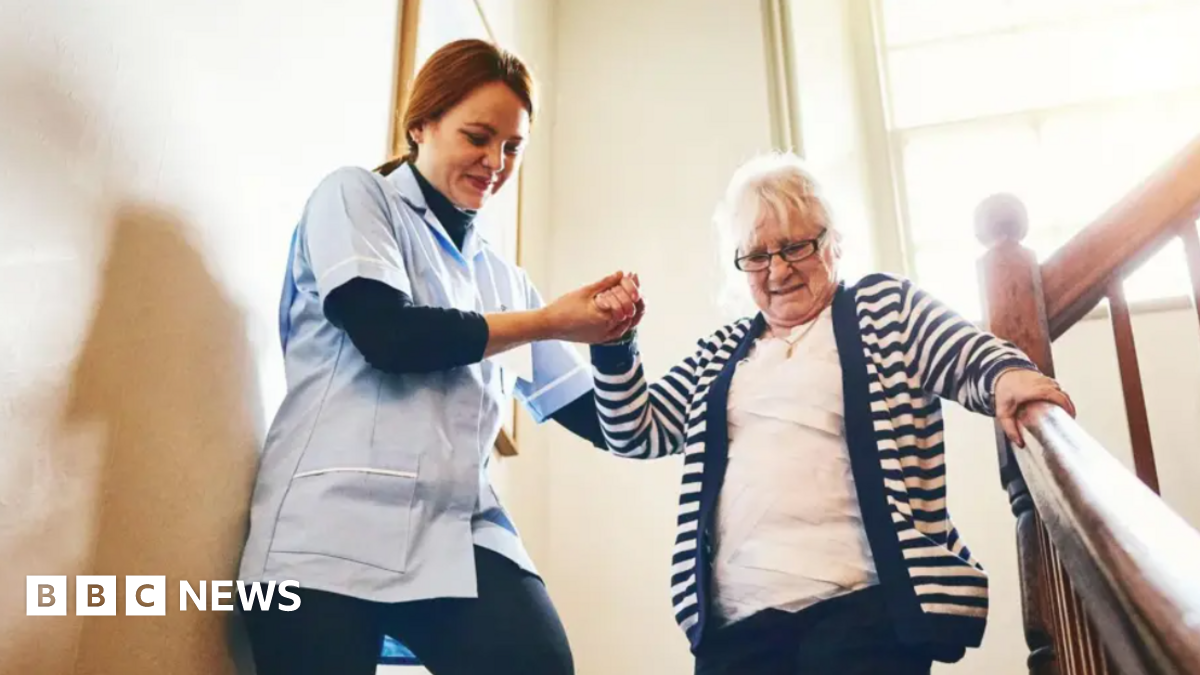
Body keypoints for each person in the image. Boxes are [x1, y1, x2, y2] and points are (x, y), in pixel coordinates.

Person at [584, 152, 1076, 674]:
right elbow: (635, 431)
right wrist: (615, 346)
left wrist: (1009, 376)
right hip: (738, 625)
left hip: (865, 607)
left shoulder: (884, 307)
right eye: (756, 255)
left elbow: (962, 352)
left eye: (795, 246)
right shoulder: (720, 351)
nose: (777, 269)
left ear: (833, 241)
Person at [236, 39, 632, 675]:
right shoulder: (355, 197)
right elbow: (388, 335)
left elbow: (606, 422)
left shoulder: (504, 279)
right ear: (420, 124)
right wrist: (551, 321)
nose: (495, 162)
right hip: (326, 533)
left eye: (512, 146)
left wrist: (617, 340)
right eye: (478, 136)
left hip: (457, 532)